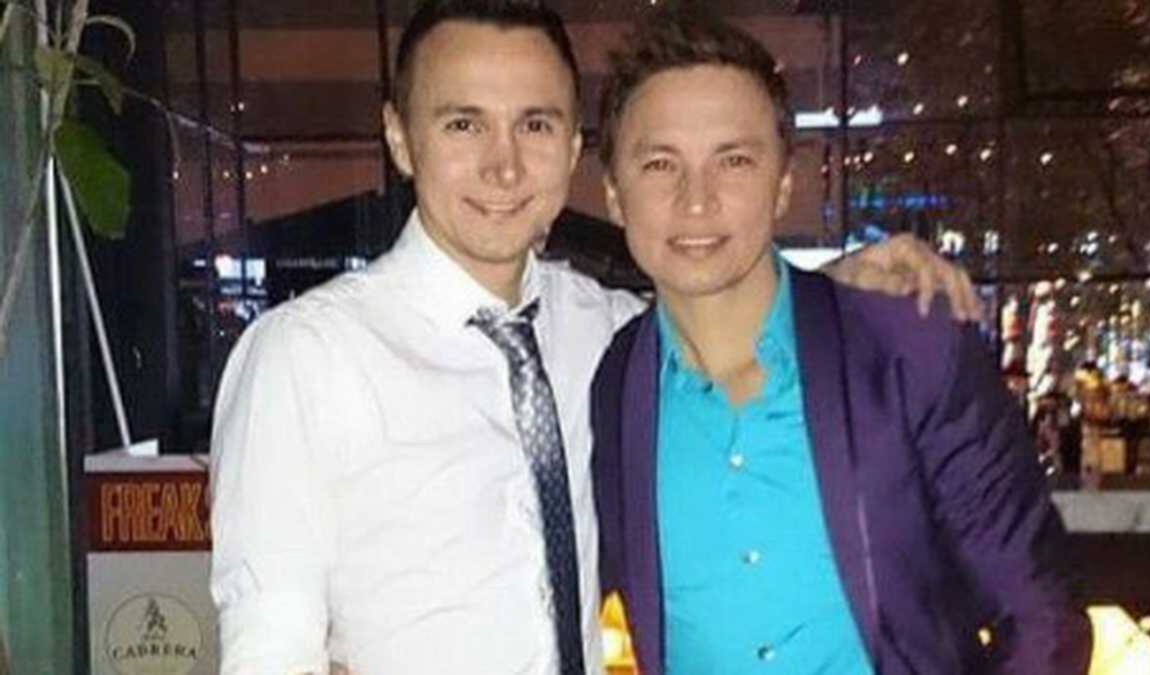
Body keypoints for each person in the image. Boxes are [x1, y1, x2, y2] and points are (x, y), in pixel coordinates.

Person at [207, 1, 981, 674]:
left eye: (535, 124)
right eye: (463, 123)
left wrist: (843, 279)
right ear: (400, 138)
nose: (504, 166)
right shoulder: (305, 357)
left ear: (573, 148)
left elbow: (725, 307)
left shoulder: (610, 333)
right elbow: (268, 646)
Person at [589, 9, 1092, 674]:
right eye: (660, 164)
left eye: (734, 161)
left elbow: (1040, 616)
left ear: (784, 185)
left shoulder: (907, 351)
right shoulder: (612, 381)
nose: (697, 201)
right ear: (614, 194)